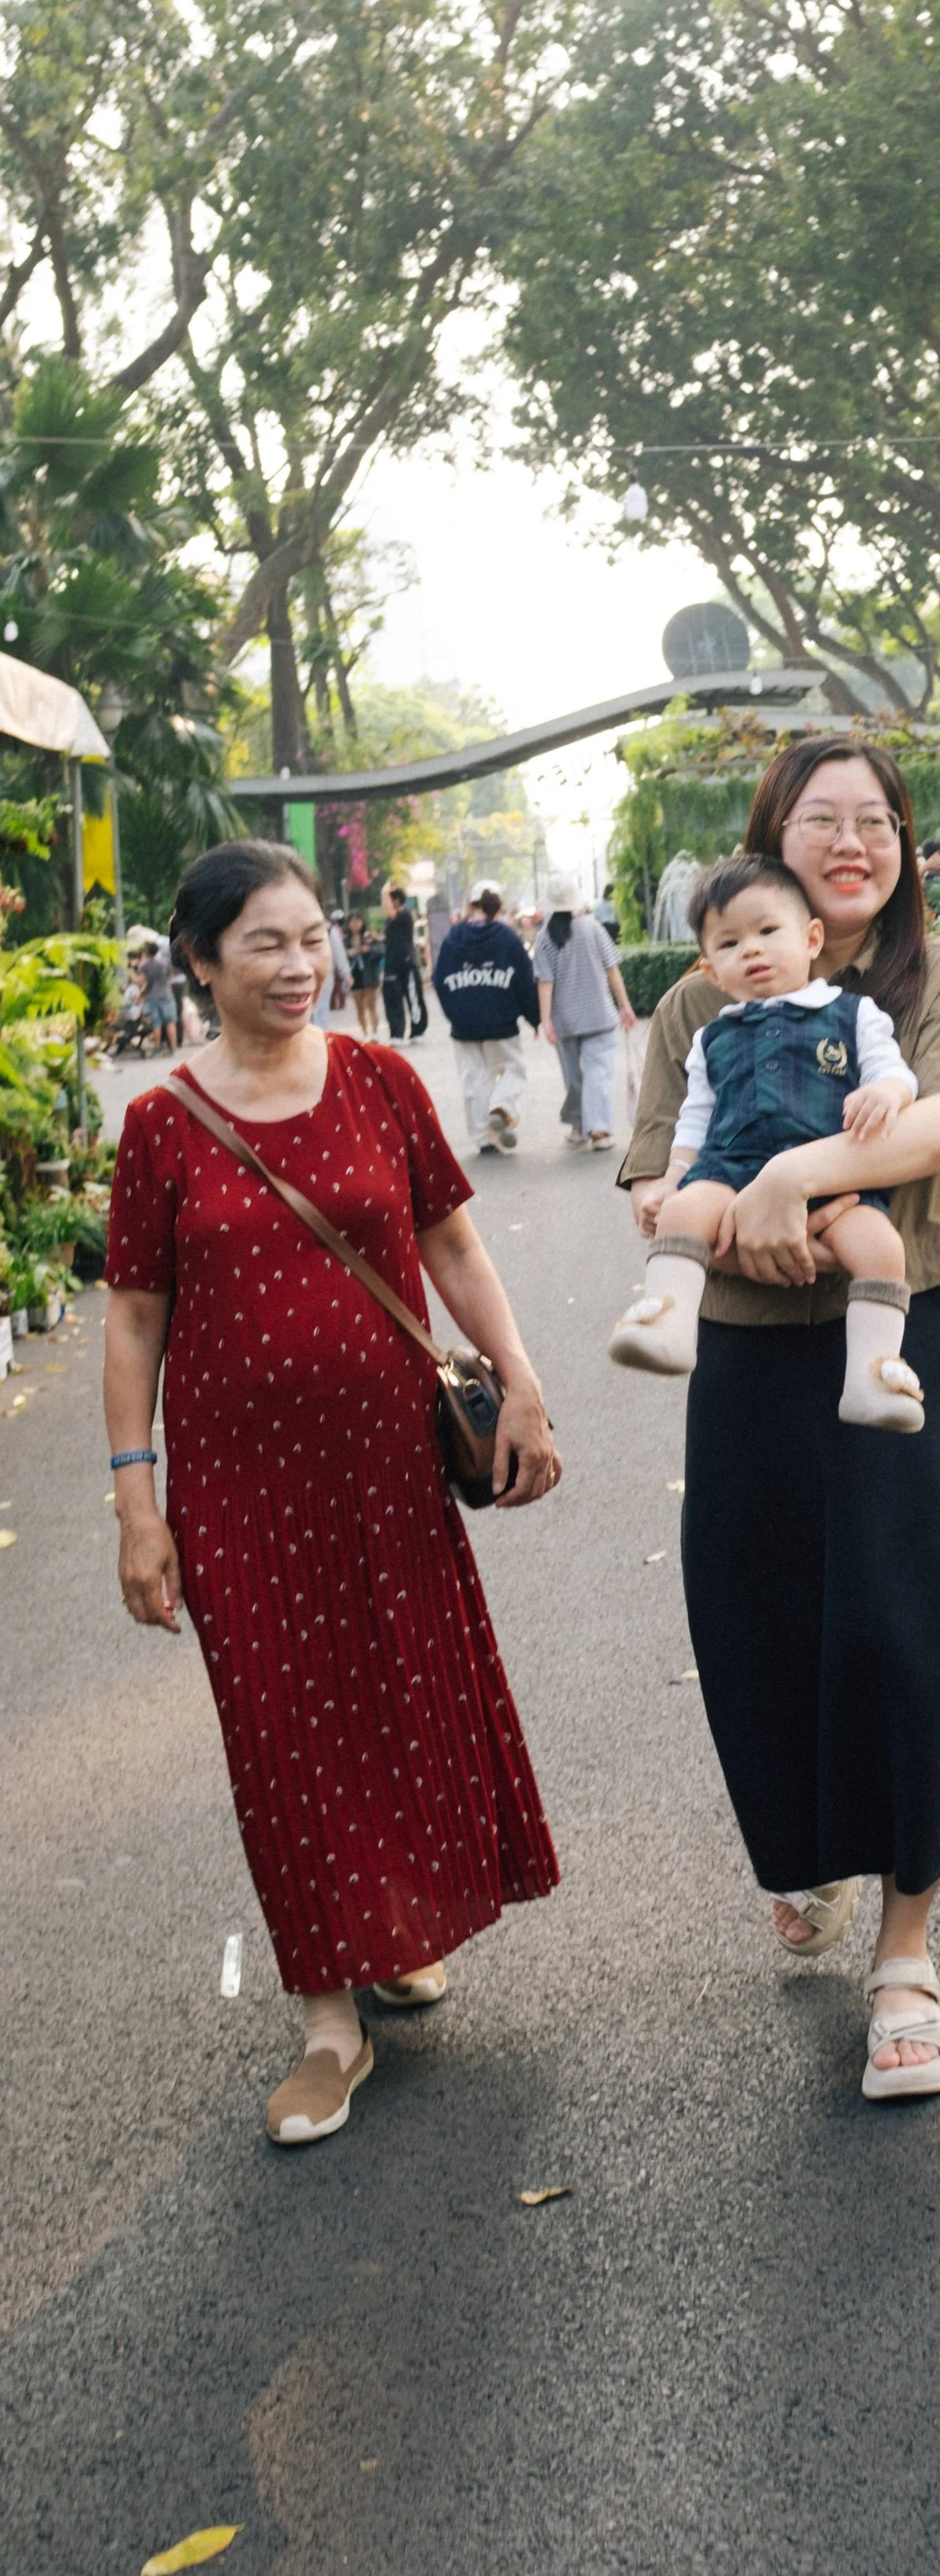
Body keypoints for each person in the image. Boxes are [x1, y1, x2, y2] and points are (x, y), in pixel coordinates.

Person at [103, 839, 563, 2148]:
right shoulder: (160, 1124)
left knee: (398, 1692)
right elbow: (133, 1322)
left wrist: (520, 1384)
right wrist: (140, 1507)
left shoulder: (379, 1079)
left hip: (387, 1469)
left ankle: (393, 1925)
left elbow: (450, 1243)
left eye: (314, 939)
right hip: (240, 1492)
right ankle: (327, 2021)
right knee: (282, 1731)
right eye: (265, 943)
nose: (300, 965)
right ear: (198, 961)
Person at [619, 735, 940, 2096]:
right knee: (765, 1618)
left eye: (876, 822)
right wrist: (732, 1232)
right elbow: (654, 1175)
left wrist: (798, 1170)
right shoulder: (698, 1002)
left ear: (906, 845)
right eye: (820, 821)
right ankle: (818, 1848)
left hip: (909, 1336)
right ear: (772, 839)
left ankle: (908, 1957)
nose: (852, 843)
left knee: (919, 1625)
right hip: (746, 1347)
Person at [608, 853, 924, 1427]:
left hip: (834, 1179)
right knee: (683, 1212)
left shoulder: (854, 1015)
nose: (750, 950)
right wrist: (675, 1180)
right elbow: (694, 1122)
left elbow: (895, 1072)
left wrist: (889, 1095)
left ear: (811, 939)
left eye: (767, 931)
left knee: (882, 1250)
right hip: (728, 1171)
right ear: (710, 970)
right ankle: (668, 1325)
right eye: (729, 944)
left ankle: (873, 1373)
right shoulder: (711, 1038)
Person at [434, 880, 539, 1157]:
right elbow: (525, 980)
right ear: (498, 906)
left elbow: (439, 979)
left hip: (464, 1025)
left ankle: (483, 1137)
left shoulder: (454, 937)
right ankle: (502, 1106)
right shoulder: (506, 938)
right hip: (501, 1022)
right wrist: (535, 1017)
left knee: (474, 1080)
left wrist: (454, 1013)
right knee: (513, 1070)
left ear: (471, 905)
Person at [535, 887, 635, 1152]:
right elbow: (612, 970)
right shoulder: (593, 927)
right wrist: (624, 1006)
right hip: (599, 1015)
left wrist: (546, 1021)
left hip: (564, 1020)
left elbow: (545, 983)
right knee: (598, 1074)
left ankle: (579, 1127)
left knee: (573, 1078)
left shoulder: (544, 938)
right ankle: (599, 1130)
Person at [380, 883, 423, 1041]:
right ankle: (396, 1032)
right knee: (392, 997)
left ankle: (417, 1029)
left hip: (406, 962)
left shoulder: (405, 915)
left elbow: (389, 911)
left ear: (396, 900)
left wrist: (384, 891)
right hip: (391, 963)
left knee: (412, 996)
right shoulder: (389, 920)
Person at [310, 911, 351, 1029]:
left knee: (320, 1009)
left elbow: (339, 953)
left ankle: (322, 1037)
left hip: (326, 975)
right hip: (308, 974)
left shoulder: (329, 930)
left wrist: (346, 974)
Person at [347, 912, 384, 1039]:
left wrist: (369, 950)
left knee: (372, 1005)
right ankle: (365, 1033)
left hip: (369, 973)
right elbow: (341, 956)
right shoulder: (346, 940)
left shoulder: (369, 936)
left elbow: (380, 951)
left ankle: (375, 1032)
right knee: (360, 1007)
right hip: (355, 974)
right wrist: (350, 953)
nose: (355, 924)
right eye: (352, 921)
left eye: (358, 921)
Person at [140, 939, 180, 1054]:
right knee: (170, 1022)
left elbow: (142, 981)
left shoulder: (145, 966)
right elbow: (170, 976)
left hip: (152, 996)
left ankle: (157, 1048)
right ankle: (173, 1047)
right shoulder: (164, 963)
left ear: (147, 952)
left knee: (156, 1023)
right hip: (166, 994)